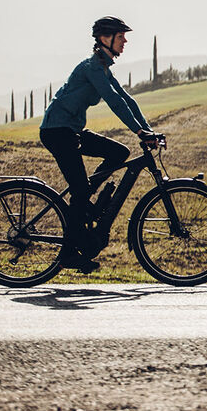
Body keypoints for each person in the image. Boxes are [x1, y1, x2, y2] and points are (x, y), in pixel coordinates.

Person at [39, 16, 159, 272]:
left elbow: (126, 99)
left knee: (119, 152)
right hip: (56, 131)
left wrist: (147, 129)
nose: (125, 40)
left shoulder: (103, 67)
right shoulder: (92, 68)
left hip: (72, 131)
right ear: (106, 38)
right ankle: (69, 254)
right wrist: (138, 131)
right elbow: (114, 103)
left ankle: (85, 204)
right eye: (120, 35)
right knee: (80, 190)